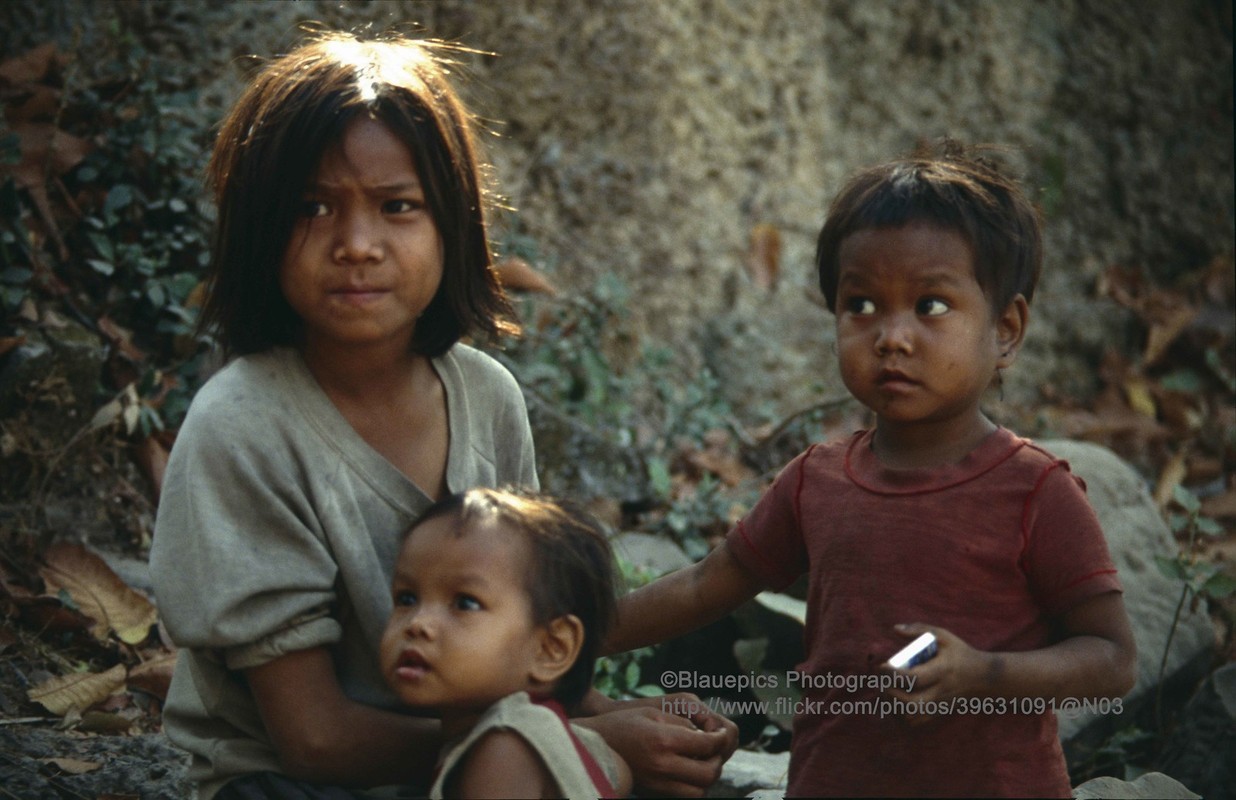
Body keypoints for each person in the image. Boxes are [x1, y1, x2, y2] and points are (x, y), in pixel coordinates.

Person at [149, 31, 734, 800]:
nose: (356, 245)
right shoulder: (243, 426)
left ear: (452, 226)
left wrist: (636, 725)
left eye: (398, 207)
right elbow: (315, 741)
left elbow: (516, 651)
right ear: (259, 229)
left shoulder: (488, 397)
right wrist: (585, 742)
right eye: (311, 208)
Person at [605, 141, 1137, 798]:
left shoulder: (1036, 492)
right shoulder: (817, 481)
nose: (892, 336)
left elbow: (1111, 660)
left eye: (931, 306)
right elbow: (707, 585)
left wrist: (983, 673)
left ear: (1006, 330)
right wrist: (573, 636)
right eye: (861, 305)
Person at [379, 488, 633, 799]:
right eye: (406, 598)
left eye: (465, 603)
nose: (418, 623)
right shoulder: (566, 739)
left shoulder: (502, 748)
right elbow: (619, 774)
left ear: (551, 648)